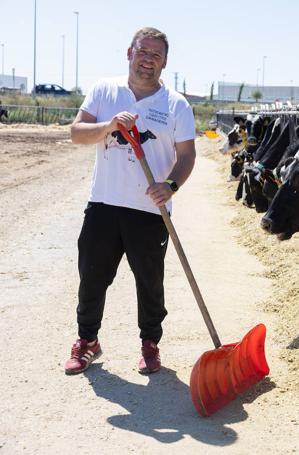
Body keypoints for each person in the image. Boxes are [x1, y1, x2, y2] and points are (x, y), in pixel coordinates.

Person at [65, 27, 196, 375]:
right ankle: (87, 340)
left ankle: (150, 344)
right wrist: (109, 125)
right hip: (104, 205)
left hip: (150, 212)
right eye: (143, 51)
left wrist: (170, 185)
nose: (148, 59)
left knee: (149, 282)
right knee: (91, 277)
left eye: (156, 54)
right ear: (129, 52)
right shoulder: (104, 90)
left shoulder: (176, 105)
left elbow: (186, 154)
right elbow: (77, 133)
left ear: (165, 62)